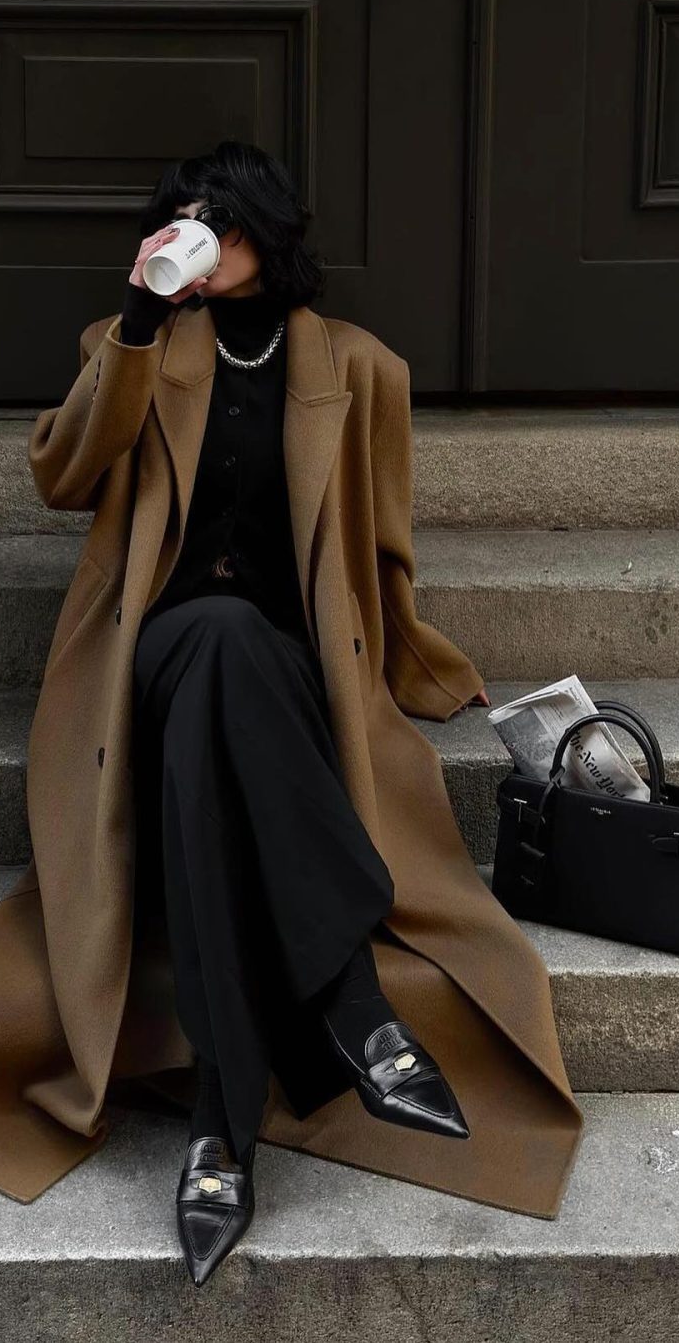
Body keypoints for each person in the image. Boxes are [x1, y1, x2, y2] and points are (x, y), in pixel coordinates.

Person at [112, 142, 491, 1284]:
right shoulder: (132, 348)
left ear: (264, 234)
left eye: (216, 220)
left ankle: (220, 1130)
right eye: (179, 219)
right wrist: (134, 321)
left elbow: (381, 549)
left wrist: (418, 664)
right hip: (166, 650)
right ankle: (355, 1008)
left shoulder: (360, 369)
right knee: (216, 645)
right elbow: (66, 473)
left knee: (218, 775)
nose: (196, 238)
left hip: (281, 677)